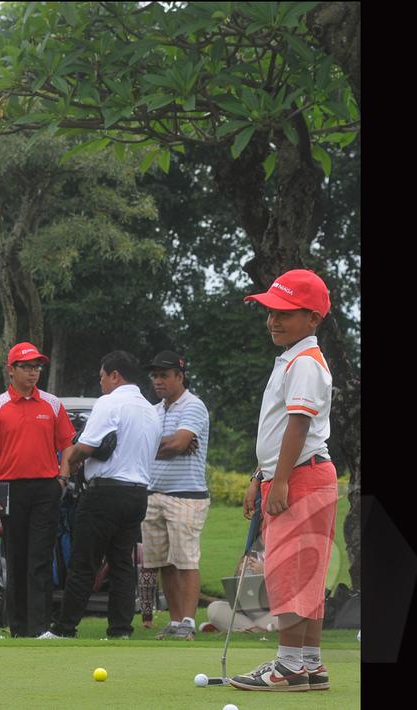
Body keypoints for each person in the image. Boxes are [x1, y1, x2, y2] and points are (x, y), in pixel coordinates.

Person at [230, 269, 336, 692]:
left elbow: (297, 427)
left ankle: (289, 666)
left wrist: (281, 481)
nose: (273, 320)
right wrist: (262, 475)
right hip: (300, 474)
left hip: (302, 478)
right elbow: (278, 434)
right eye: (270, 311)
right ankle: (309, 663)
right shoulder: (295, 358)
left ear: (313, 318)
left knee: (290, 571)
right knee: (304, 573)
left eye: (286, 313)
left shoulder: (306, 363)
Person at [40, 351, 160, 640]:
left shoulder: (110, 402)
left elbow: (87, 445)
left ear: (115, 375)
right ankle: (120, 630)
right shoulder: (150, 409)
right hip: (137, 495)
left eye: (102, 378)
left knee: (84, 562)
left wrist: (72, 459)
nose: (102, 384)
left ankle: (64, 629)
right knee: (121, 565)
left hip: (105, 493)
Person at [0, 342, 76, 637]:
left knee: (40, 558)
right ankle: (18, 627)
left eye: (37, 367)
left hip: (46, 487)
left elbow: (67, 443)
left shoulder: (53, 404)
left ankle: (40, 627)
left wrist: (63, 476)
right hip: (10, 488)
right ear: (11, 370)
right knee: (16, 558)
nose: (33, 373)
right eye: (27, 367)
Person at [143, 351, 211, 641]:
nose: (158, 380)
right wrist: (166, 445)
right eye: (155, 375)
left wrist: (164, 445)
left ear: (179, 377)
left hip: (187, 495)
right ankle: (173, 622)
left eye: (165, 375)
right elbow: (165, 445)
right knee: (163, 563)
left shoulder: (193, 406)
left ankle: (188, 622)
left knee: (185, 561)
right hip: (154, 493)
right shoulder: (154, 411)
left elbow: (179, 442)